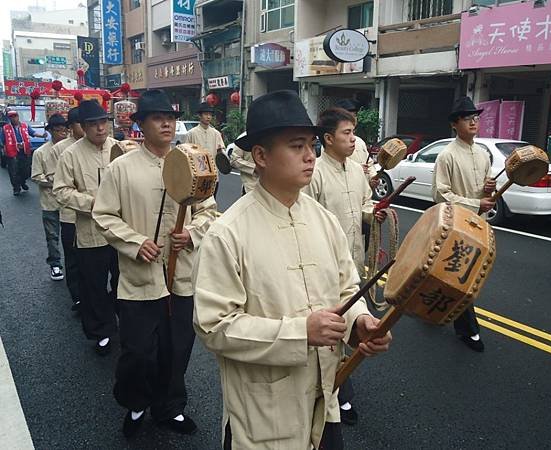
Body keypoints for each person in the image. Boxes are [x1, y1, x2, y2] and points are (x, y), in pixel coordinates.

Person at [192, 90, 392, 450]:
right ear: (261, 156)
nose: (310, 156)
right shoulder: (228, 232)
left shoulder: (324, 221)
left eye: (312, 146)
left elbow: (347, 289)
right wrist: (300, 333)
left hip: (323, 402)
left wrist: (359, 323)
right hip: (263, 416)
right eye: (297, 146)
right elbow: (214, 326)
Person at [93, 90, 218, 438]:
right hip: (138, 279)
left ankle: (170, 407)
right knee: (138, 352)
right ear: (140, 125)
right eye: (157, 117)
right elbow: (103, 215)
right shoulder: (121, 168)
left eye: (171, 117)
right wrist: (135, 242)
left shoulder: (194, 164)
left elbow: (209, 211)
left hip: (181, 277)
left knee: (177, 349)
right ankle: (135, 403)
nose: (167, 123)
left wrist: (191, 233)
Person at [304, 107, 387, 428]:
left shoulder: (356, 171)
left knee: (352, 322)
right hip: (323, 266)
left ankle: (337, 385)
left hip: (354, 259)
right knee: (332, 329)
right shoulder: (315, 173)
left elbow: (365, 204)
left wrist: (373, 214)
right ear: (327, 139)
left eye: (353, 133)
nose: (353, 140)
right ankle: (337, 390)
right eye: (347, 133)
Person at [53, 100, 119, 355]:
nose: (101, 128)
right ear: (83, 126)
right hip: (91, 233)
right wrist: (93, 203)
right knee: (94, 284)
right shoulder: (70, 154)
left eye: (104, 122)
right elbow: (61, 191)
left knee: (124, 279)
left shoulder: (119, 149)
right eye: (94, 124)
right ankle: (101, 331)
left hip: (120, 231)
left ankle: (114, 314)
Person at [432, 96, 496, 353]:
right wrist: (476, 203)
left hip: (477, 225)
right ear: (454, 124)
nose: (474, 121)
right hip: (454, 227)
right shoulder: (446, 155)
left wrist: (489, 190)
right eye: (467, 118)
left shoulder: (483, 155)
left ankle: (433, 308)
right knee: (463, 278)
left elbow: (486, 193)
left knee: (449, 276)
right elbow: (440, 194)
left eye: (476, 117)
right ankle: (468, 331)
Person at [47, 107, 85, 311]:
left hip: (96, 216)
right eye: (81, 123)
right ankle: (77, 296)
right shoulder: (60, 149)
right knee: (73, 257)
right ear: (71, 127)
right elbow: (55, 182)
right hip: (70, 214)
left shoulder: (98, 146)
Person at [31, 113, 69, 281]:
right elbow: (36, 176)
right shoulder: (40, 153)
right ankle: (55, 264)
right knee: (52, 236)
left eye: (64, 130)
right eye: (58, 130)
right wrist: (54, 181)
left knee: (71, 237)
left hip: (69, 203)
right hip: (50, 202)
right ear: (51, 131)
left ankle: (73, 264)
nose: (62, 134)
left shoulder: (71, 150)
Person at [1, 109, 47, 195]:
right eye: (11, 117)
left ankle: (22, 181)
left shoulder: (25, 126)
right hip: (12, 152)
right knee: (13, 171)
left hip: (25, 151)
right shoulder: (5, 128)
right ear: (9, 118)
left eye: (15, 116)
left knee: (26, 170)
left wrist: (42, 135)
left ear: (18, 116)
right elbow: (3, 141)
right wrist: (4, 150)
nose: (13, 118)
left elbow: (33, 133)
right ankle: (16, 188)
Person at [334, 99, 378, 188]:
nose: (353, 119)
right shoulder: (333, 143)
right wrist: (356, 168)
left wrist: (373, 177)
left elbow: (369, 164)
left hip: (362, 190)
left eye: (355, 116)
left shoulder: (360, 141)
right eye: (349, 116)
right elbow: (333, 166)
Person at [183, 102, 225, 194]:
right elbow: (185, 154)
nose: (208, 117)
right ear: (199, 116)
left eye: (210, 115)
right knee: (197, 204)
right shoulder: (191, 133)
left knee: (212, 200)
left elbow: (221, 152)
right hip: (197, 175)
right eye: (206, 114)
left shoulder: (216, 133)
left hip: (213, 174)